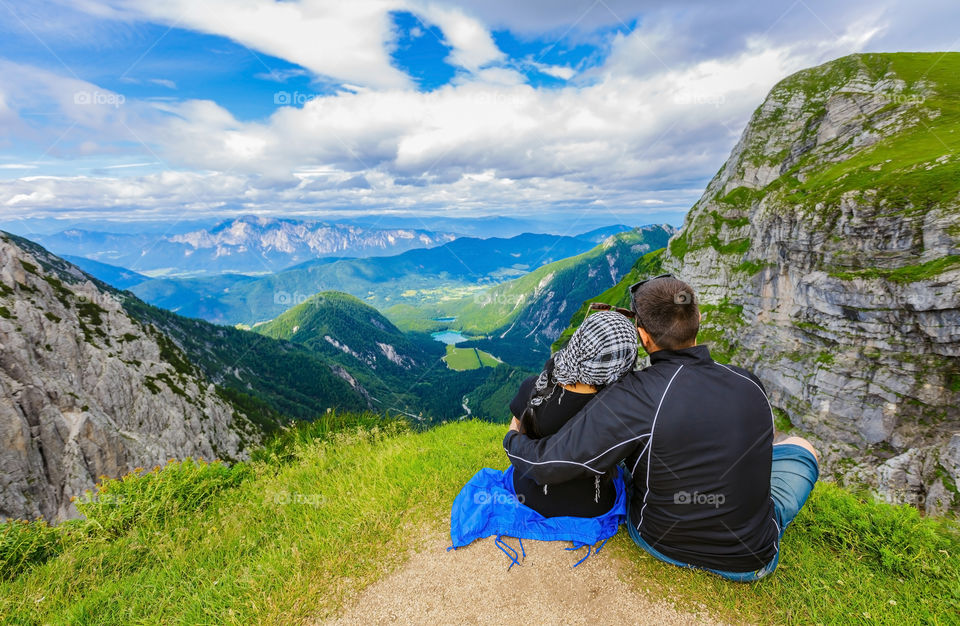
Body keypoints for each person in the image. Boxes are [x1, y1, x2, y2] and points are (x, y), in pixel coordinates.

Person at [504, 275, 819, 581]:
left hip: (662, 541)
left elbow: (552, 464)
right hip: (752, 556)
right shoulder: (749, 383)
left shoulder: (634, 395)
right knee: (803, 446)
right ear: (698, 320)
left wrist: (512, 440)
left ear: (643, 336)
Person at [508, 309, 638, 518]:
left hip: (530, 496)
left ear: (579, 341)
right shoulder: (620, 407)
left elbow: (515, 430)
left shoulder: (534, 387)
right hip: (593, 506)